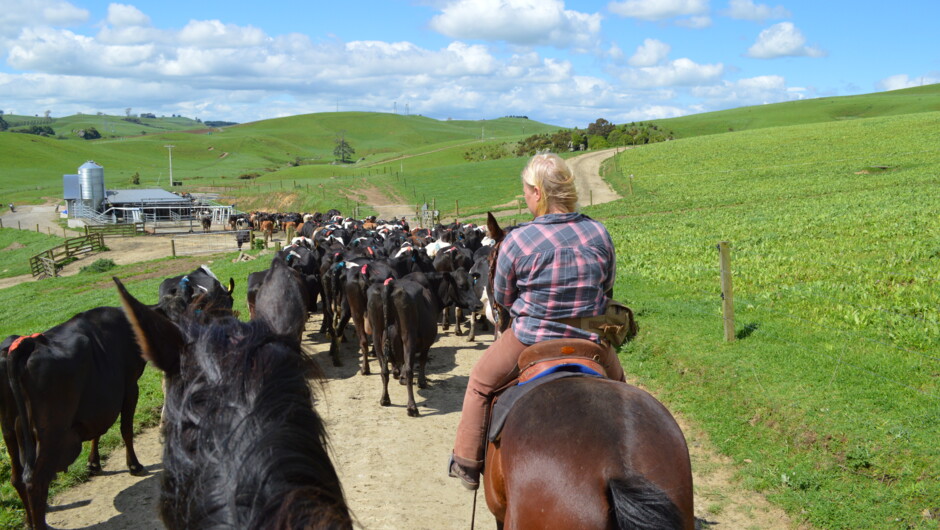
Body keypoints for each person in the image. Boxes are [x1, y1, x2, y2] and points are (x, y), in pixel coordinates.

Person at [448, 152, 626, 490]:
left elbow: (502, 296)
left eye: (527, 190)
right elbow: (607, 285)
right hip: (590, 341)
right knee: (622, 389)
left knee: (481, 383)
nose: (527, 196)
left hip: (530, 339)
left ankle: (468, 462)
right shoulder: (599, 233)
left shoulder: (517, 240)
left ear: (538, 192)